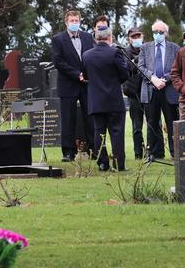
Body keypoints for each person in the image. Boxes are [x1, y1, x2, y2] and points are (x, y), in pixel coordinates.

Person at [82, 21, 130, 171]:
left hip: (96, 101)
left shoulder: (86, 55)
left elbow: (86, 75)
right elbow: (124, 74)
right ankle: (118, 164)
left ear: (96, 38)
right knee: (116, 132)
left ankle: (102, 163)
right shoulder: (114, 53)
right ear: (109, 37)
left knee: (99, 132)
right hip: (113, 100)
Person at [51, 10, 95, 161]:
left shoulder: (88, 37)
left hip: (86, 84)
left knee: (90, 117)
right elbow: (58, 62)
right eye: (72, 20)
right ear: (66, 22)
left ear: (80, 22)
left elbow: (92, 57)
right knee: (68, 119)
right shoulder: (58, 39)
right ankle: (68, 152)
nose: (74, 23)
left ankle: (93, 149)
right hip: (68, 83)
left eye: (77, 20)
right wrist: (77, 74)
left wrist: (87, 74)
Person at [137, 20, 180, 159]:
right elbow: (141, 67)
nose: (158, 34)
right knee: (151, 124)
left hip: (169, 90)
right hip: (150, 90)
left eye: (161, 32)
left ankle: (176, 154)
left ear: (166, 33)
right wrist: (153, 78)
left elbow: (177, 69)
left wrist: (164, 80)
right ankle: (153, 153)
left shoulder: (175, 48)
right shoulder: (145, 47)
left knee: (172, 124)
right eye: (155, 32)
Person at [122, 26, 145, 159]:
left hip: (148, 91)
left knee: (155, 123)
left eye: (138, 36)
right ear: (129, 39)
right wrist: (138, 60)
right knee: (137, 126)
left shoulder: (147, 48)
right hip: (133, 92)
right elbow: (127, 68)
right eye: (133, 37)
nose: (136, 39)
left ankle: (156, 151)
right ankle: (138, 153)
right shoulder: (124, 51)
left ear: (142, 37)